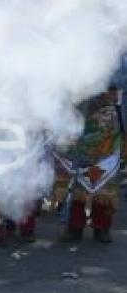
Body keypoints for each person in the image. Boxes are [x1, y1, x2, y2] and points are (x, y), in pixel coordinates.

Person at [53, 88, 123, 243]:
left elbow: (117, 90)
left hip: (105, 132)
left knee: (104, 189)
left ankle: (101, 228)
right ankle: (74, 226)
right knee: (74, 186)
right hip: (73, 121)